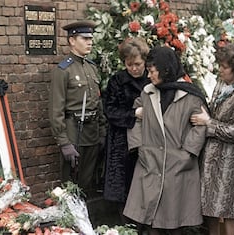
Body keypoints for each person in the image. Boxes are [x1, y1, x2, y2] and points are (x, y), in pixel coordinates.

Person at [123, 46, 208, 235]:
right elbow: (136, 120)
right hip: (150, 161)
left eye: (153, 71)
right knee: (151, 221)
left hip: (179, 164)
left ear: (166, 69)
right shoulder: (148, 93)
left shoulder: (191, 96)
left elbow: (201, 126)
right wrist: (138, 147)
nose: (149, 75)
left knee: (174, 220)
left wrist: (187, 154)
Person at [191, 43, 234, 235]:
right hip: (212, 152)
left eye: (224, 67)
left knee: (229, 205)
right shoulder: (222, 84)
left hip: (233, 157)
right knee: (210, 204)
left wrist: (208, 122)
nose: (220, 70)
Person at [48, 20, 106, 193]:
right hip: (74, 133)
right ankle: (71, 219)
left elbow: (98, 102)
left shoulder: (91, 68)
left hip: (92, 133)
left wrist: (102, 131)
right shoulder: (63, 70)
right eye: (84, 38)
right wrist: (64, 142)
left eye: (91, 38)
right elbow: (55, 109)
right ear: (72, 40)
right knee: (70, 184)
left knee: (87, 183)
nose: (90, 42)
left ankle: (84, 217)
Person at [103, 37, 150, 211]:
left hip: (148, 138)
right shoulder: (117, 81)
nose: (134, 68)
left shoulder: (152, 79)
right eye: (129, 65)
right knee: (125, 187)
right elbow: (109, 110)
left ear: (144, 60)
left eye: (137, 64)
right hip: (121, 141)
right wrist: (133, 114)